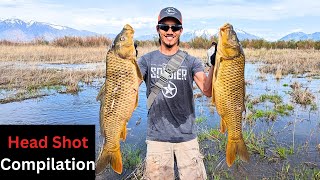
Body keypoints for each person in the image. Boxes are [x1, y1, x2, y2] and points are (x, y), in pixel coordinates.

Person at [137, 7, 216, 180]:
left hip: (187, 137)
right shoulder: (146, 60)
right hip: (157, 137)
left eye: (175, 27)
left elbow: (207, 90)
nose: (170, 31)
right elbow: (129, 86)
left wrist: (214, 65)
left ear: (181, 30)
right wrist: (125, 63)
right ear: (158, 29)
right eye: (165, 27)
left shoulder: (191, 61)